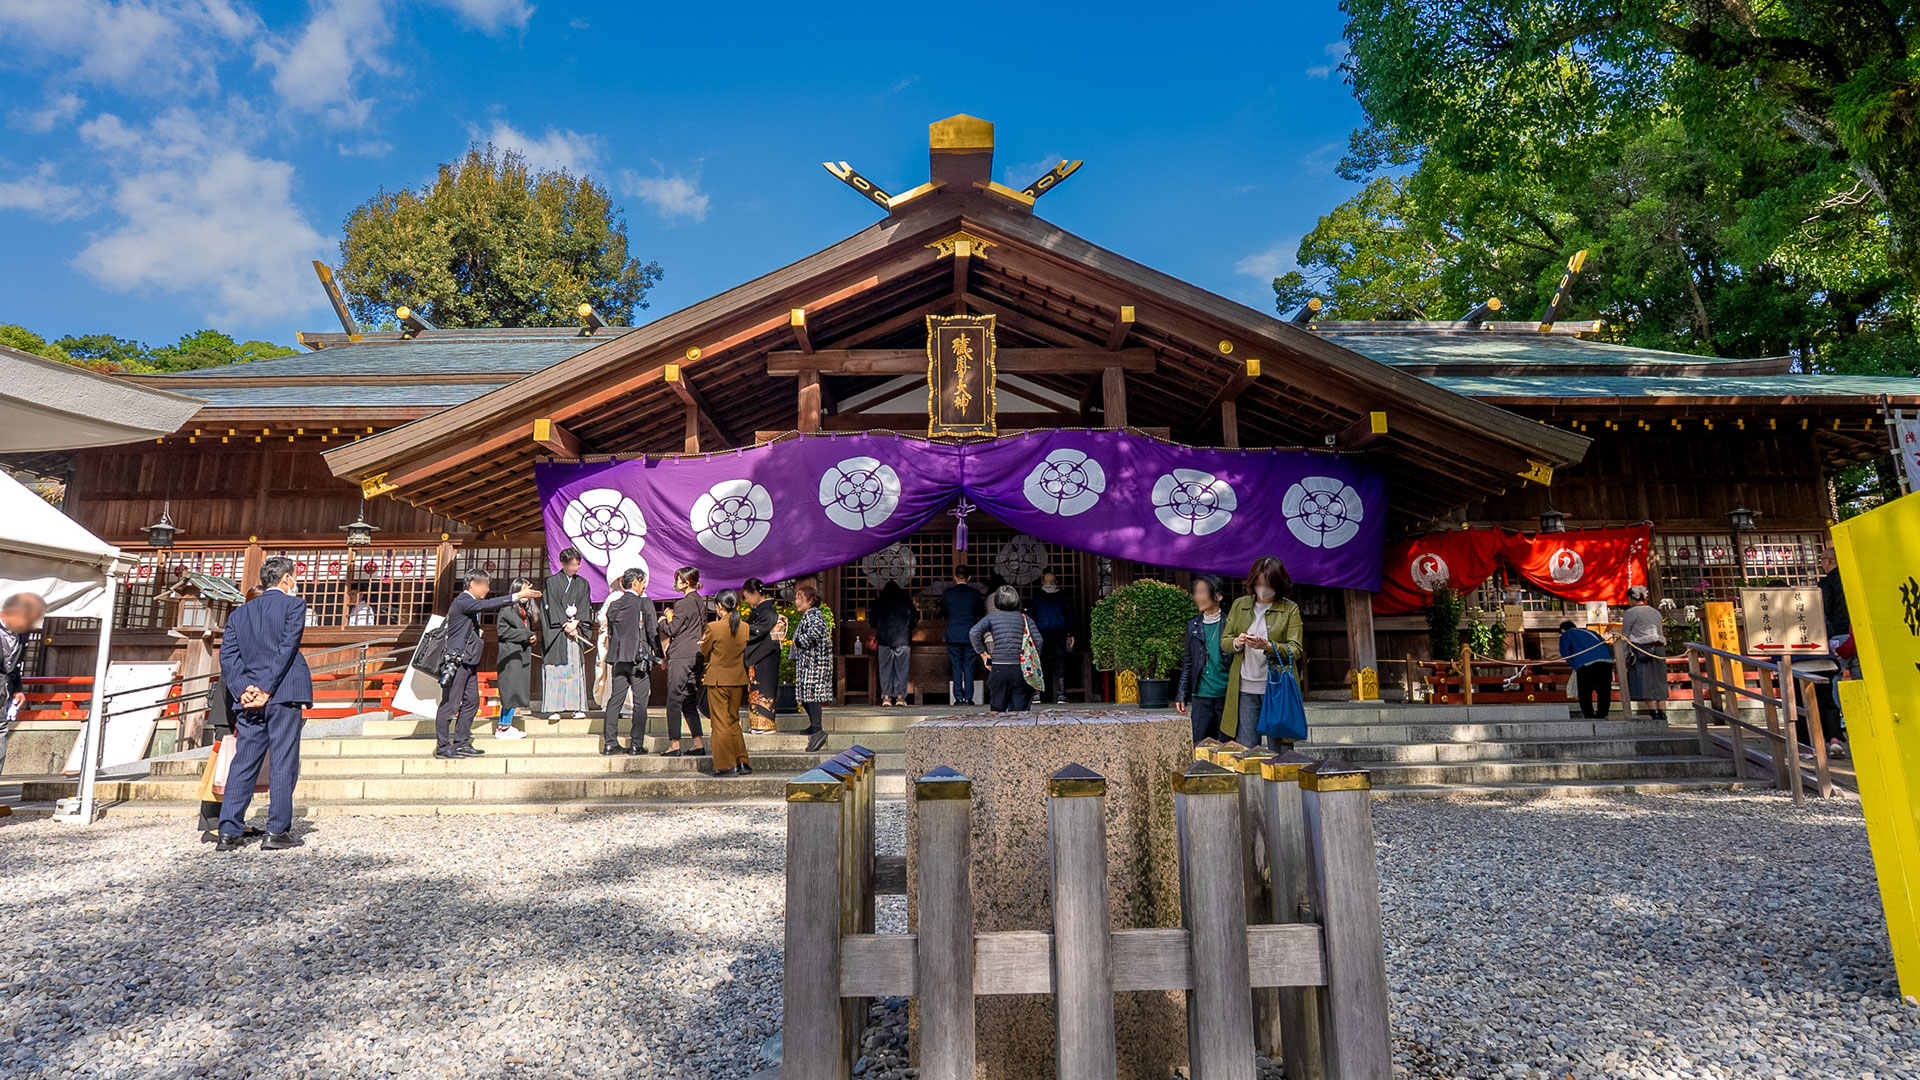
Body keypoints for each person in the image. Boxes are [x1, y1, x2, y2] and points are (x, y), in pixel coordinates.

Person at [214, 557, 314, 852]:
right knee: (283, 760)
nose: (294, 581)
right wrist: (267, 689)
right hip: (282, 693)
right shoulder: (294, 606)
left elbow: (228, 656)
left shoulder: (239, 615)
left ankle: (228, 831)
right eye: (293, 577)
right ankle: (276, 830)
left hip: (248, 699)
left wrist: (244, 689)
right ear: (285, 579)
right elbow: (286, 649)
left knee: (244, 761)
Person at [436, 570, 541, 760]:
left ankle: (461, 742)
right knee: (450, 704)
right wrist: (517, 595)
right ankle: (443, 746)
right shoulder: (463, 601)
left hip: (468, 661)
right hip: (456, 661)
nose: (487, 589)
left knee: (471, 702)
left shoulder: (470, 604)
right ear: (473, 584)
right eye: (485, 585)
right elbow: (487, 605)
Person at [1222, 556, 1305, 750]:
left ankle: (1282, 781)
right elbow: (1225, 642)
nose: (1263, 589)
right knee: (1248, 748)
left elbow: (1296, 648)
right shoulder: (1240, 605)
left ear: (1278, 584)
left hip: (1276, 688)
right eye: (1259, 583)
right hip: (1245, 686)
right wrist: (1237, 642)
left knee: (1279, 751)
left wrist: (1268, 647)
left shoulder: (1289, 609)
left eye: (1268, 584)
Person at [602, 566, 659, 756]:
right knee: (640, 701)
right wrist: (658, 654)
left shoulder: (615, 605)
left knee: (615, 700)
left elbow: (611, 631)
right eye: (643, 582)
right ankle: (636, 744)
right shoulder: (645, 603)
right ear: (636, 582)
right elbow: (652, 632)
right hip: (638, 658)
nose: (644, 586)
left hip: (618, 658)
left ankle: (610, 742)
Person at [700, 590, 754, 776]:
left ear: (720, 607)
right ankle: (742, 761)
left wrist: (702, 644)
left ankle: (725, 764)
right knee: (733, 721)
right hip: (737, 678)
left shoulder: (714, 627)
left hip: (718, 679)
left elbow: (705, 650)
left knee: (720, 723)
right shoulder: (745, 627)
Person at [1174, 575, 1232, 743]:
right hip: (1201, 695)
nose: (1198, 597)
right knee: (1199, 746)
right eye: (1196, 593)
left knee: (1227, 748)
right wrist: (1181, 694)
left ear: (1218, 596)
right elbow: (1189, 662)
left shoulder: (1230, 623)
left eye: (1202, 592)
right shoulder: (1193, 626)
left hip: (1226, 695)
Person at [541, 547, 595, 718]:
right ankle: (554, 708)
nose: (575, 568)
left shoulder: (583, 583)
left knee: (574, 667)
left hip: (575, 630)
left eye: (577, 564)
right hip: (558, 632)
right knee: (556, 668)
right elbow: (551, 605)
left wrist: (577, 622)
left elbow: (586, 606)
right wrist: (564, 624)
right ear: (563, 563)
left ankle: (577, 707)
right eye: (571, 564)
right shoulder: (552, 582)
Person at [660, 567, 708, 757]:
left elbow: (672, 630)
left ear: (686, 582)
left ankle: (675, 743)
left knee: (674, 698)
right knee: (689, 699)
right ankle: (697, 742)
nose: (676, 582)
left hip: (681, 654)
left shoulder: (683, 603)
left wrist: (662, 620)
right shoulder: (699, 601)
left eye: (678, 579)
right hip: (695, 653)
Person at [970, 585, 1039, 713]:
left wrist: (983, 654)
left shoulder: (992, 617)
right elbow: (1039, 640)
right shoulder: (1025, 618)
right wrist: (1032, 659)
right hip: (1021, 668)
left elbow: (974, 632)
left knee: (997, 709)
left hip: (998, 667)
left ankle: (997, 732)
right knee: (1020, 712)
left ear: (997, 601)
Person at [1812, 546, 1852, 757]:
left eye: (1822, 560)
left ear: (1829, 561)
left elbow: (1823, 609)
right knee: (1860, 676)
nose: (1821, 564)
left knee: (1834, 678)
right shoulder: (1852, 578)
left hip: (1838, 634)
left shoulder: (1827, 583)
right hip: (1857, 633)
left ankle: (1841, 720)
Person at [0, 593, 46, 774]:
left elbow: (13, 666)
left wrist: (18, 689)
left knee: (1, 733)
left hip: (3, 693)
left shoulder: (22, 635)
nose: (30, 626)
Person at [791, 584, 834, 752]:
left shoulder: (814, 614)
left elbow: (814, 632)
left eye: (798, 598)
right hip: (810, 663)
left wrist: (799, 641)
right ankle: (814, 725)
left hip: (814, 663)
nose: (795, 601)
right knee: (806, 695)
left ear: (809, 600)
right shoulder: (811, 614)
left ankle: (817, 728)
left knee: (812, 695)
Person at [493, 576, 536, 740]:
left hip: (520, 654)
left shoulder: (524, 610)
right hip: (510, 654)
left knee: (515, 690)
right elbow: (503, 631)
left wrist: (530, 638)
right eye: (524, 589)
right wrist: (526, 635)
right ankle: (503, 727)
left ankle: (506, 724)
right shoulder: (507, 609)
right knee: (509, 691)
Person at [741, 578, 784, 735]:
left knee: (763, 690)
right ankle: (757, 724)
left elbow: (758, 630)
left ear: (754, 593)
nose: (746, 600)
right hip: (760, 655)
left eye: (747, 596)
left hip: (766, 656)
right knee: (756, 689)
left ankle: (765, 724)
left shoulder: (767, 611)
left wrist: (742, 629)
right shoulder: (761, 610)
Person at [1620, 585, 1669, 722]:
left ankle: (1653, 711)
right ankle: (1663, 712)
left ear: (1630, 599)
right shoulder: (1655, 612)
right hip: (1658, 648)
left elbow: (1625, 635)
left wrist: (1623, 655)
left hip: (1641, 648)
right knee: (1659, 679)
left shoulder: (1631, 613)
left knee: (1645, 680)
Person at [1030, 570, 1078, 705]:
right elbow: (1070, 616)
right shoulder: (1063, 597)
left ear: (1043, 582)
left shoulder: (1037, 597)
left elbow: (1032, 616)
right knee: (1061, 662)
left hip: (1041, 633)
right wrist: (1072, 633)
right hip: (1060, 633)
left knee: (1039, 662)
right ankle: (1061, 694)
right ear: (1057, 582)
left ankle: (1037, 694)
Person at [941, 567, 986, 705]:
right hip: (970, 633)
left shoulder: (948, 594)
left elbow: (943, 612)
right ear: (969, 577)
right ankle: (968, 697)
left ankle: (958, 697)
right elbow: (980, 612)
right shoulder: (975, 594)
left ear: (955, 577)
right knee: (969, 665)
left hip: (953, 633)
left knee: (956, 665)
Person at [870, 580, 918, 706]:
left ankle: (886, 697)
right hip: (902, 639)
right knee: (902, 668)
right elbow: (914, 620)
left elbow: (872, 622)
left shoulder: (879, 603)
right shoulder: (906, 602)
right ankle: (900, 697)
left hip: (884, 640)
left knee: (885, 669)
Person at [1557, 619, 1614, 720]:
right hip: (1606, 661)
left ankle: (1589, 715)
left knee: (1585, 691)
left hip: (1586, 662)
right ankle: (1602, 714)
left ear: (1562, 630)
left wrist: (1574, 665)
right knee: (1604, 690)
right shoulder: (1591, 632)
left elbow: (1565, 652)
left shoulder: (1566, 634)